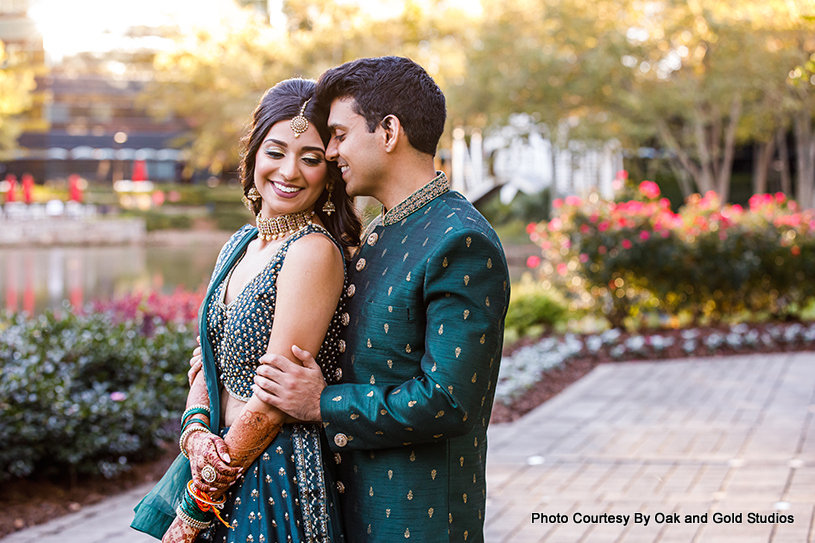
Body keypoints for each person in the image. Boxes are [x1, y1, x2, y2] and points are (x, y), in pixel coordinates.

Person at [252, 57, 510, 543]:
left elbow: (449, 400)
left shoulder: (459, 240)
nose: (330, 152)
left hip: (416, 520)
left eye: (340, 135)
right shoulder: (380, 232)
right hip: (346, 509)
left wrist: (322, 403)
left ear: (388, 131)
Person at [136, 78, 361, 543]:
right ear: (255, 153)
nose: (290, 171)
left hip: (271, 471)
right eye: (276, 151)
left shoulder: (312, 252)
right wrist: (196, 434)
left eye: (311, 158)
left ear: (330, 170)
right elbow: (206, 359)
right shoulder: (239, 245)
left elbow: (273, 402)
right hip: (216, 465)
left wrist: (196, 509)